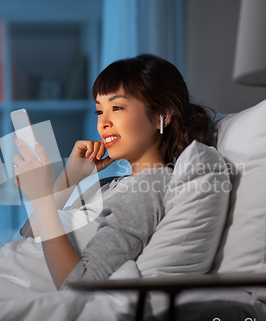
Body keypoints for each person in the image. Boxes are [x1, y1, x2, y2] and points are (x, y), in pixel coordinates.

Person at [12, 54, 214, 290]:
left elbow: (79, 284)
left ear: (163, 115)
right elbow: (29, 235)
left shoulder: (147, 187)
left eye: (117, 107)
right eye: (99, 111)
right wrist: (71, 178)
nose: (103, 123)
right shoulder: (115, 182)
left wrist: (43, 198)